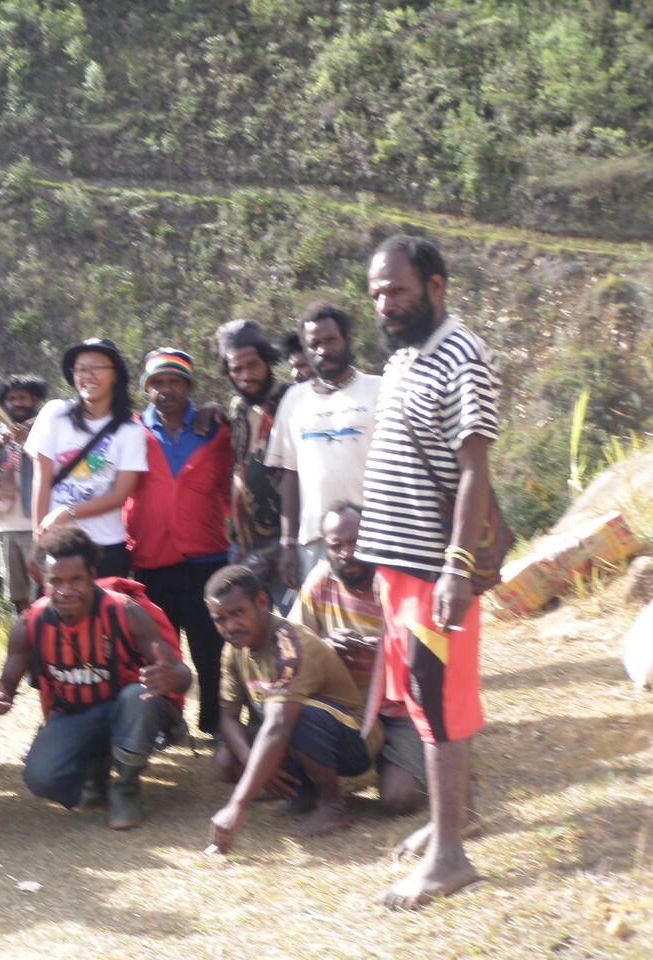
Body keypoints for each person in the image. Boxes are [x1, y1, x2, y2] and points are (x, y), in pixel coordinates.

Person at [358, 234, 499, 909]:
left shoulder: (462, 356)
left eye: (399, 291)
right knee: (419, 695)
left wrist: (457, 567)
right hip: (397, 564)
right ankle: (457, 817)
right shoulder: (405, 356)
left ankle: (449, 857)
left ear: (436, 286)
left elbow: (474, 469)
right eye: (378, 293)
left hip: (433, 567)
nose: (387, 303)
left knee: (439, 699)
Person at [0, 526, 192, 830]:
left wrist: (170, 676)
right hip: (74, 713)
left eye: (76, 580)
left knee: (137, 696)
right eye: (56, 581)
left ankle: (126, 786)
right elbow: (7, 688)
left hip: (128, 708)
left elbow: (183, 677)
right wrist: (0, 699)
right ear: (42, 580)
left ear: (92, 575)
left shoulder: (126, 613)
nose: (66, 590)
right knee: (42, 779)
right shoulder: (28, 624)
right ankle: (95, 770)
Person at [205, 565, 380, 853]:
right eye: (220, 619)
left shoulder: (290, 646)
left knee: (296, 716)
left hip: (353, 739)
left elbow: (279, 726)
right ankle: (304, 791)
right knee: (226, 761)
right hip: (293, 732)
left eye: (238, 613)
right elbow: (228, 718)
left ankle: (332, 804)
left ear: (262, 602)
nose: (230, 626)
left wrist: (238, 805)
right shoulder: (233, 647)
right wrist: (253, 762)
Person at [289, 503, 426, 816]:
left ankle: (409, 758)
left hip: (401, 710)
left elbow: (429, 653)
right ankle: (323, 784)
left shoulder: (398, 579)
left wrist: (384, 650)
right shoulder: (320, 582)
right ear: (326, 547)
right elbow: (294, 648)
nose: (347, 553)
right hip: (347, 709)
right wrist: (325, 647)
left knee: (399, 801)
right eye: (337, 546)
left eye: (357, 542)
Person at [123, 348, 233, 737]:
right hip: (152, 557)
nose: (166, 390)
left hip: (206, 556)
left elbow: (228, 484)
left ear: (188, 387)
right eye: (157, 383)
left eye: (174, 382)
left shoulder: (216, 431)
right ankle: (167, 721)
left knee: (210, 644)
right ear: (147, 389)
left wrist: (220, 408)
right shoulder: (130, 430)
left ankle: (216, 720)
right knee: (158, 646)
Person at [267, 302, 382, 592]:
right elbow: (289, 475)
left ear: (349, 339)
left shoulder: (380, 389)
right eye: (314, 344)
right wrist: (288, 544)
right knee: (323, 629)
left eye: (330, 340)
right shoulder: (293, 400)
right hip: (316, 541)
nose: (322, 350)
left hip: (376, 534)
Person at [25, 338, 148, 578]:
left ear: (115, 375)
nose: (87, 376)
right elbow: (42, 478)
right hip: (58, 548)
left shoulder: (130, 430)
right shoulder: (55, 414)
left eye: (97, 368)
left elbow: (119, 495)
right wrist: (38, 541)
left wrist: (68, 512)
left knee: (106, 614)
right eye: (81, 369)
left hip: (105, 546)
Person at [215, 320, 289, 603]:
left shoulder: (291, 401)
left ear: (268, 361)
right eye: (236, 369)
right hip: (241, 543)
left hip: (285, 542)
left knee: (295, 630)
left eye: (253, 365)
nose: (246, 375)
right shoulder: (237, 408)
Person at [0, 375, 48, 612]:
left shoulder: (44, 428)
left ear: (33, 399)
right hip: (4, 526)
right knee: (17, 595)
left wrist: (29, 443)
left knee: (42, 591)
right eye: (12, 399)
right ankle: (24, 640)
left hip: (37, 525)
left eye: (22, 398)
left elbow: (57, 465)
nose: (17, 403)